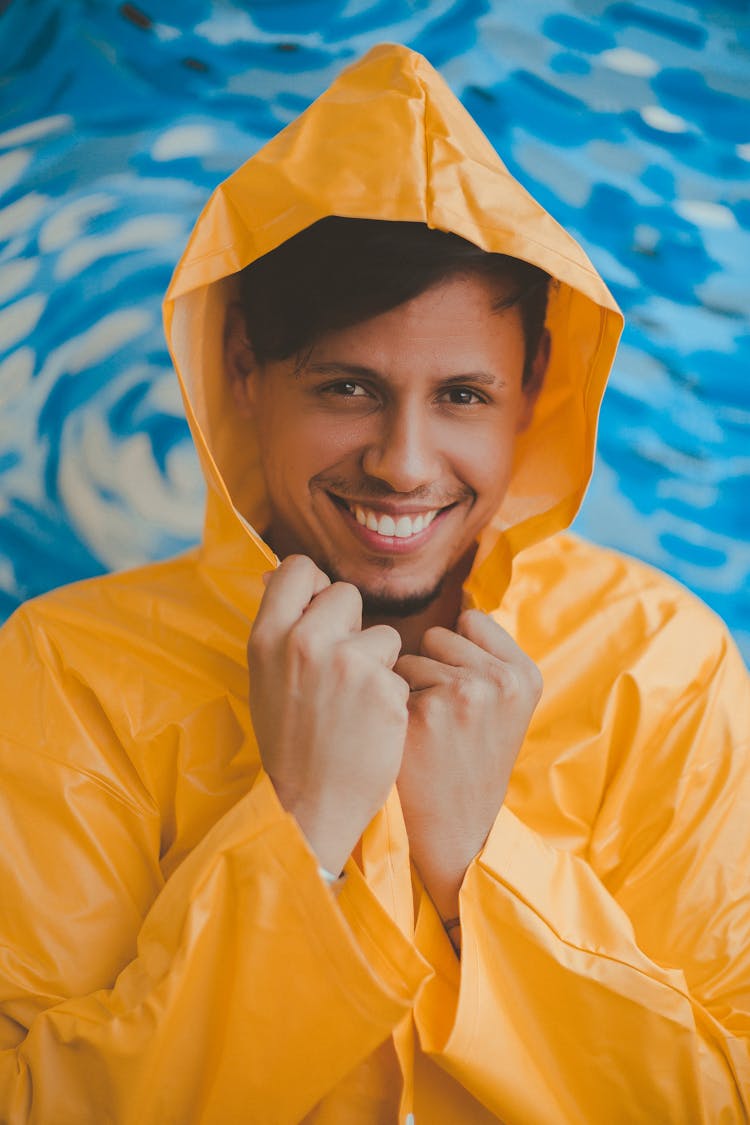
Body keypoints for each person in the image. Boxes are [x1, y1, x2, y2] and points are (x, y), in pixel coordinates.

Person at [0, 42, 747, 1124]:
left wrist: (480, 861)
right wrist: (301, 829)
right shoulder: (65, 670)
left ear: (536, 385)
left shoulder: (662, 662)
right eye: (348, 386)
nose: (402, 462)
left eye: (462, 396)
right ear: (247, 368)